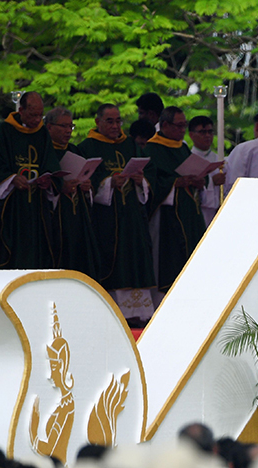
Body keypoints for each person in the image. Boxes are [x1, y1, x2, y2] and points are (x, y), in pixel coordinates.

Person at [79, 104, 156, 317]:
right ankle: (115, 312)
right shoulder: (88, 147)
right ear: (98, 122)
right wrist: (108, 183)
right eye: (109, 121)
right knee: (113, 258)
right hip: (107, 218)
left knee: (136, 257)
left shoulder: (129, 144)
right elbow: (85, 178)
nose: (115, 126)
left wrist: (142, 182)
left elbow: (148, 171)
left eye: (118, 121)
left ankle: (139, 312)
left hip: (132, 215)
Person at [0, 91, 61, 270]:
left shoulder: (42, 134)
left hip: (36, 205)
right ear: (20, 110)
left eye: (40, 115)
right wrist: (12, 178)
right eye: (32, 115)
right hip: (12, 205)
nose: (37, 120)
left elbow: (50, 163)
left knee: (37, 251)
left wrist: (48, 181)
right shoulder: (2, 132)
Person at [146, 106, 208, 292]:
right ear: (164, 125)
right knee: (169, 260)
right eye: (179, 126)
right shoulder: (152, 149)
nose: (182, 131)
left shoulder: (183, 148)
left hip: (189, 212)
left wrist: (199, 180)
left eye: (184, 126)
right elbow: (151, 183)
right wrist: (175, 183)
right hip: (166, 216)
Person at [45, 106, 102, 280]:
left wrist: (87, 188)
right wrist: (59, 186)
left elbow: (86, 180)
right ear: (49, 127)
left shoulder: (75, 150)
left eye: (71, 126)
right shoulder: (45, 151)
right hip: (55, 218)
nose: (68, 131)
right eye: (63, 126)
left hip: (79, 218)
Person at [187, 115, 225, 226]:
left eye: (210, 132)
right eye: (203, 132)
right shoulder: (189, 159)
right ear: (191, 135)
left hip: (217, 212)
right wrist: (212, 181)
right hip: (197, 212)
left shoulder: (219, 158)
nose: (207, 136)